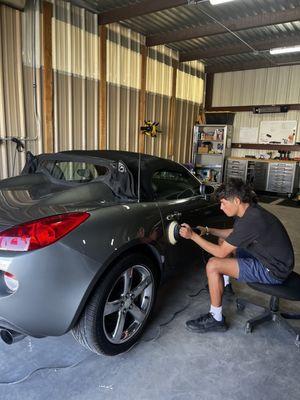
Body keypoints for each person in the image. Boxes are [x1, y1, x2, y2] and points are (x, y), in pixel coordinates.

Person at [179, 178, 294, 333]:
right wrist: (207, 230)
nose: (221, 207)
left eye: (224, 203)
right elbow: (234, 234)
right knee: (222, 239)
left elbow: (221, 253)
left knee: (213, 265)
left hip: (273, 270)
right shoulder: (249, 211)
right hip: (270, 258)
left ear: (237, 201)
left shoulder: (252, 220)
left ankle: (216, 318)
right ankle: (226, 286)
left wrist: (192, 236)